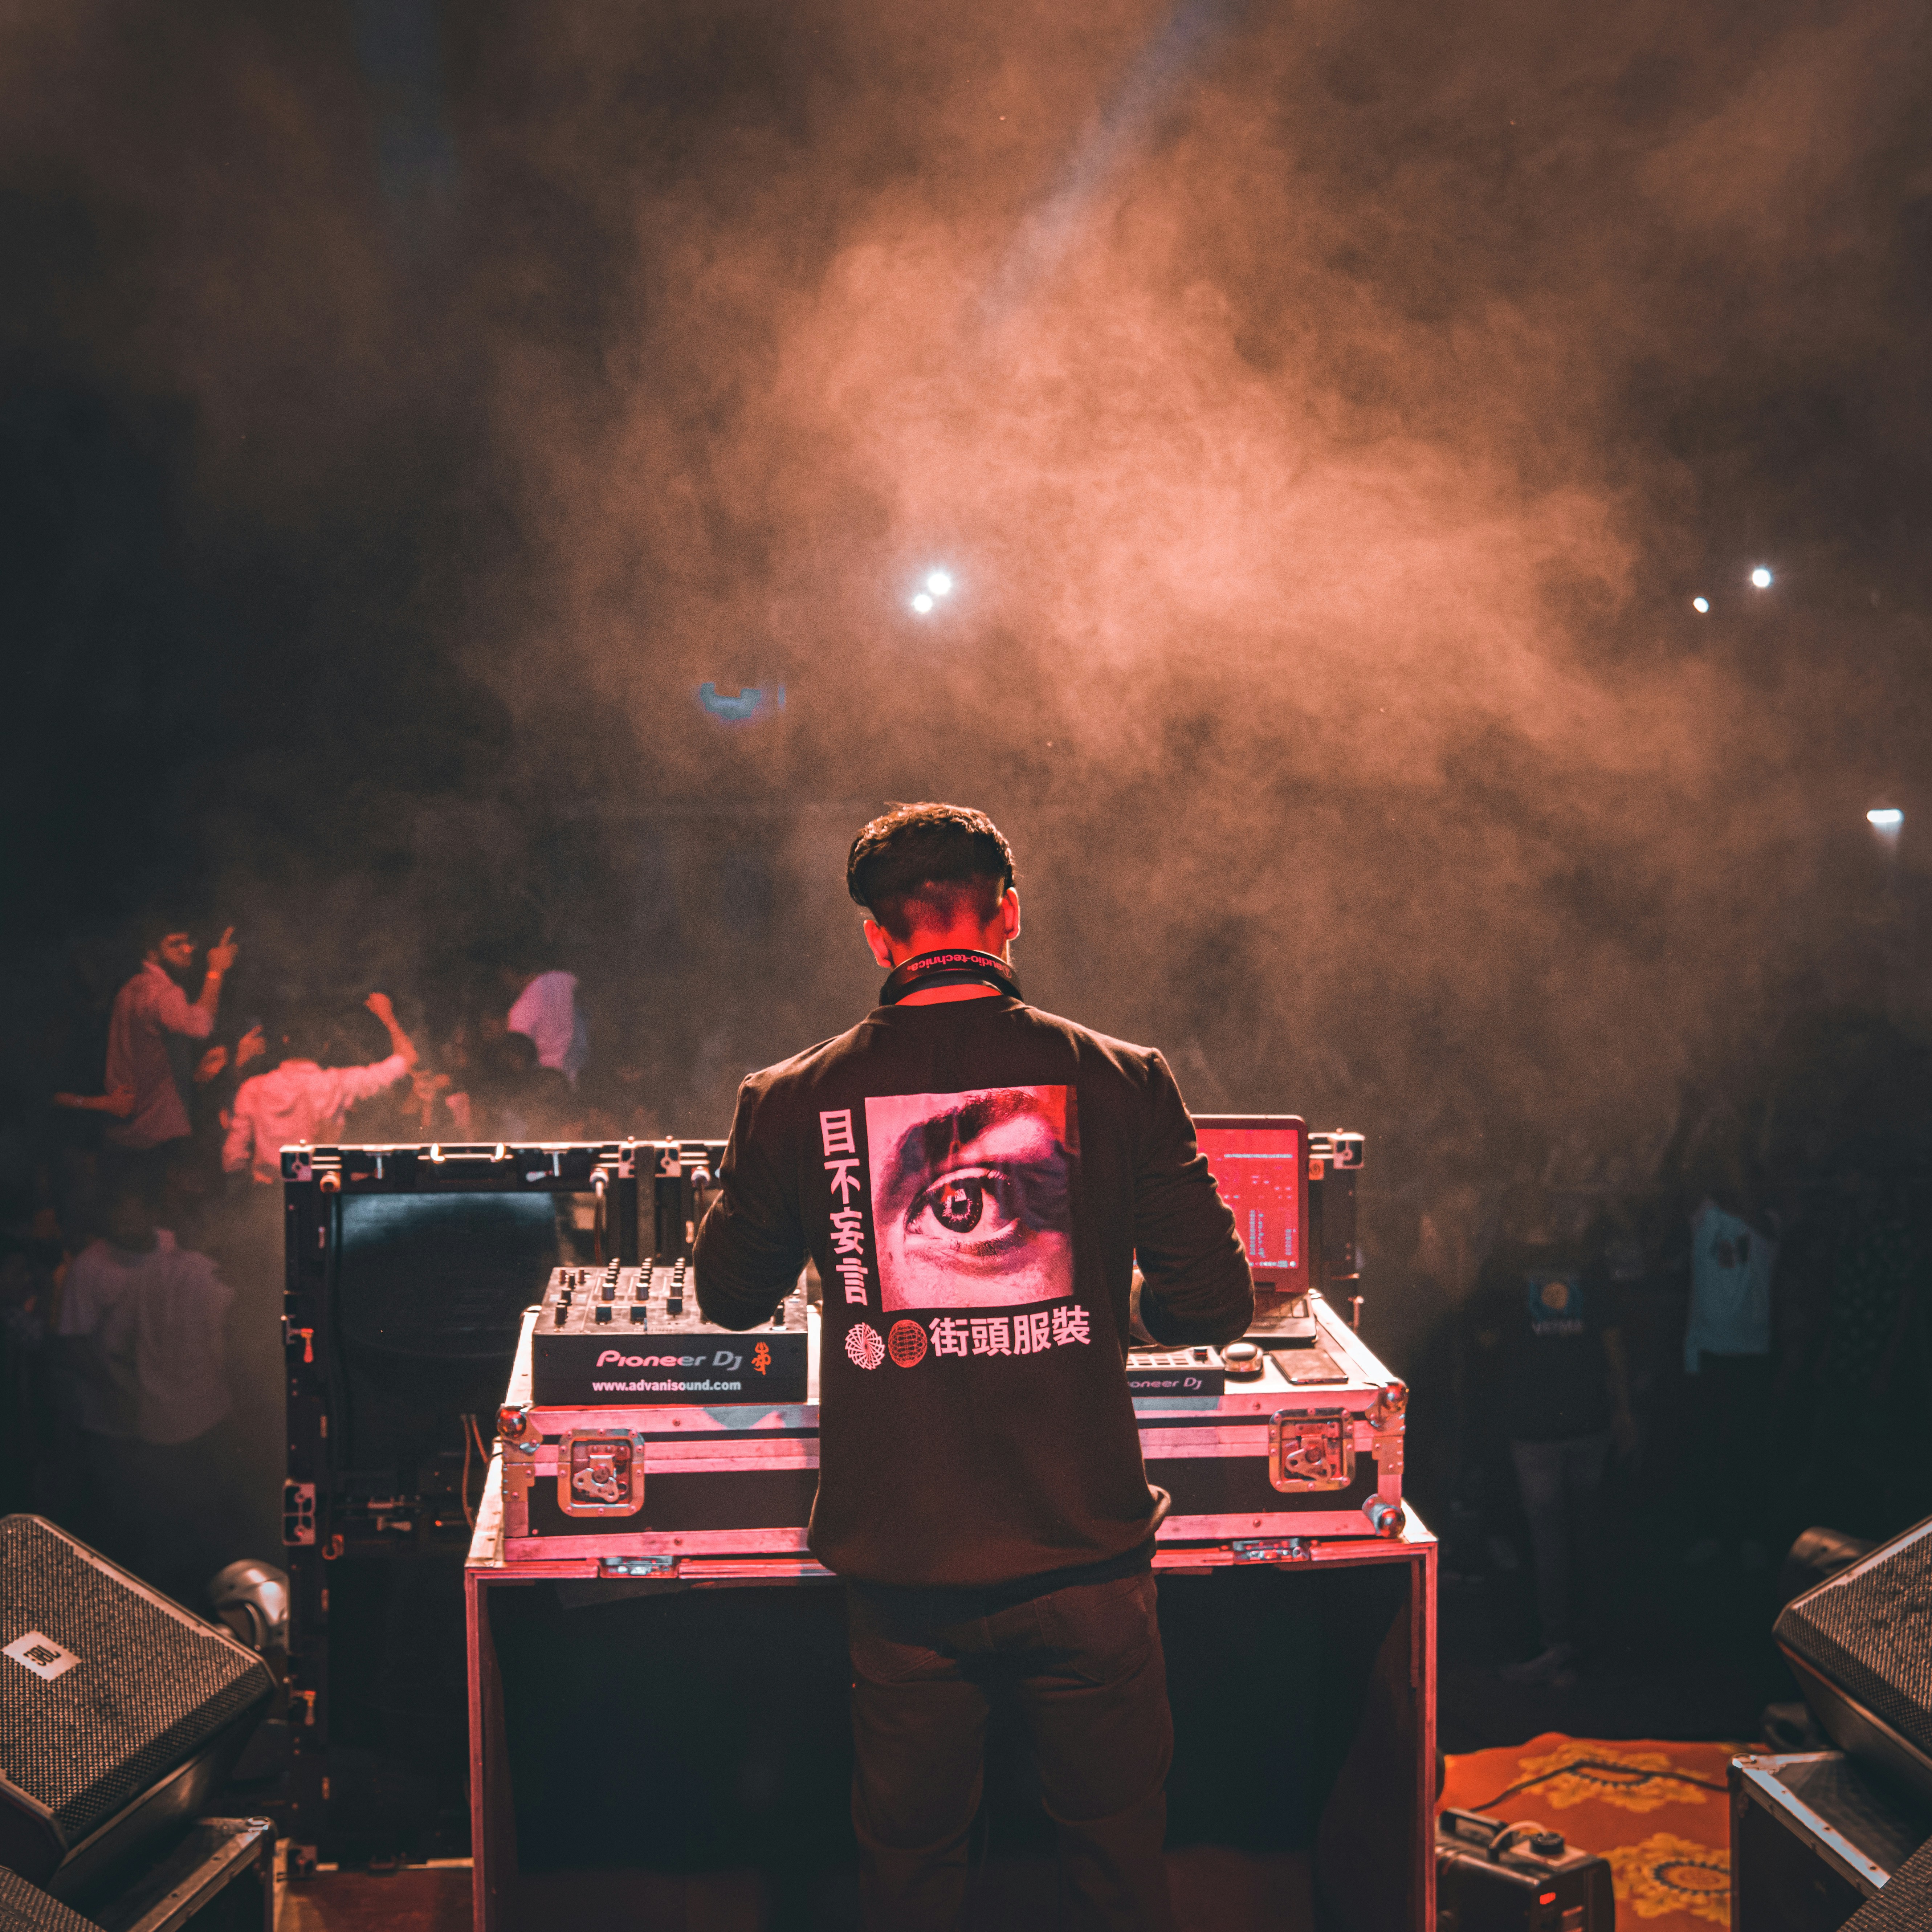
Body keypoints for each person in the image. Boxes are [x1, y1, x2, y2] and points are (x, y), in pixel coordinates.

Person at [694, 802, 1253, 1931]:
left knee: (911, 1877)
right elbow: (1212, 1304)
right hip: (1086, 1556)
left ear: (874, 935)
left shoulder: (789, 1098)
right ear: (1008, 914)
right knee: (1114, 1865)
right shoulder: (1123, 1075)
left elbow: (726, 1297)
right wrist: (1111, 1306)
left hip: (904, 1576)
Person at [1471, 1187, 1637, 1688]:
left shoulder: (1502, 1269)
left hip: (1534, 1423)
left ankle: (1555, 1649)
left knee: (1548, 1540)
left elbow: (1482, 1338)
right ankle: (1592, 1642)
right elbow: (1613, 1342)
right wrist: (1624, 1410)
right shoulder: (1586, 1263)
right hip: (1588, 1417)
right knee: (1587, 1531)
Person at [54, 1170, 238, 1602]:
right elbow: (75, 1344)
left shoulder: (171, 1251)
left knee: (178, 1511)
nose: (130, 1230)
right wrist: (122, 1394)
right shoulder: (91, 1268)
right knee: (130, 1521)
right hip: (113, 1418)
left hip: (166, 1411)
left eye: (138, 1220)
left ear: (153, 1216)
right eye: (120, 1223)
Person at [221, 994, 418, 1184]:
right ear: (325, 1047)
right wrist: (388, 1018)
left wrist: (261, 1175)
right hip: (317, 1191)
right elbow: (408, 1059)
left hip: (265, 1200)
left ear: (286, 1040)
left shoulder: (253, 1088)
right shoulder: (336, 1084)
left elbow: (232, 1159)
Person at [101, 919, 240, 1183]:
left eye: (189, 942)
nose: (188, 949)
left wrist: (194, 1076)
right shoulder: (161, 991)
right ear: (152, 952)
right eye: (175, 944)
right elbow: (201, 1025)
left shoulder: (130, 989)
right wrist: (216, 970)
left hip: (125, 1130)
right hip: (153, 1133)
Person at [504, 962, 588, 1084]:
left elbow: (519, 1060)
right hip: (580, 1074)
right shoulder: (566, 979)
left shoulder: (519, 1012)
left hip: (547, 1082)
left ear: (509, 973)